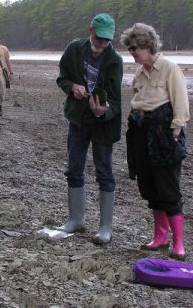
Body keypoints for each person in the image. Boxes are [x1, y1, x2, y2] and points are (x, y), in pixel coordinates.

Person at [120, 23, 190, 260]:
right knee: (149, 186)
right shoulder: (140, 73)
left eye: (134, 48)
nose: (132, 53)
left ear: (147, 45)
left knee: (168, 187)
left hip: (164, 136)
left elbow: (181, 104)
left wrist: (174, 134)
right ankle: (160, 236)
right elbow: (137, 100)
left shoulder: (170, 68)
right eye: (129, 49)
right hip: (141, 134)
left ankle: (179, 243)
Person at [56, 14, 123, 245]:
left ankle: (105, 228)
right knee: (74, 168)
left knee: (104, 171)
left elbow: (115, 100)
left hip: (103, 125)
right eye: (99, 37)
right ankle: (76, 219)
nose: (102, 43)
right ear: (90, 30)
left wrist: (104, 110)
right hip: (78, 119)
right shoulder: (74, 49)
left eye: (107, 39)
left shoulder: (115, 60)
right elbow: (62, 78)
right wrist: (72, 86)